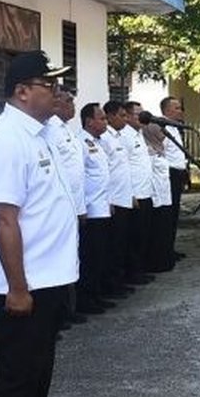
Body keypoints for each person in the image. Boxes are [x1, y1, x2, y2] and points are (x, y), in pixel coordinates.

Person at [0, 51, 78, 397]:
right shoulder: (8, 140)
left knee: (38, 372)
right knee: (19, 375)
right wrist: (17, 287)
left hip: (49, 277)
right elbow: (5, 220)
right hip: (25, 283)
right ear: (21, 91)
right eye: (48, 85)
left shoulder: (38, 133)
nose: (56, 93)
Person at [42, 87, 86, 328]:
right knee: (58, 261)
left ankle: (69, 309)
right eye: (68, 100)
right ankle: (58, 314)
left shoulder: (67, 129)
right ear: (56, 102)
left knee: (71, 258)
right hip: (59, 208)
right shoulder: (49, 130)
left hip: (74, 204)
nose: (73, 105)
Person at [76, 103, 115, 315]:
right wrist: (82, 206)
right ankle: (86, 300)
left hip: (102, 207)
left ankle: (97, 294)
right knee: (90, 257)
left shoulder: (98, 142)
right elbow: (80, 177)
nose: (105, 122)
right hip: (90, 210)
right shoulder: (80, 142)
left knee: (101, 255)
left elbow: (102, 176)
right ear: (89, 121)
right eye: (102, 118)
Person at [99, 101, 135, 300]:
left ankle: (120, 280)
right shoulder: (105, 138)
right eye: (122, 115)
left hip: (124, 197)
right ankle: (111, 284)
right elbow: (105, 172)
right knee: (113, 246)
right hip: (113, 200)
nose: (126, 119)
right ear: (111, 116)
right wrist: (109, 200)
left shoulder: (119, 137)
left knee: (122, 243)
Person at [122, 101, 154, 285]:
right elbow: (124, 167)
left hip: (146, 191)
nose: (141, 117)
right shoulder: (125, 136)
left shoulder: (139, 133)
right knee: (134, 237)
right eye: (137, 114)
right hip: (135, 194)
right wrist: (130, 193)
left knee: (144, 235)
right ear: (127, 116)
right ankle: (132, 273)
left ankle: (141, 269)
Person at [142, 123, 176, 272]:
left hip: (165, 197)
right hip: (156, 198)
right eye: (160, 132)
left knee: (165, 230)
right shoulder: (149, 152)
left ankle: (165, 259)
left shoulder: (160, 149)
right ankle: (155, 262)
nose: (163, 135)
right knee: (156, 231)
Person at [160, 96, 189, 260]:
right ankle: (165, 250)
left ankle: (170, 247)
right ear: (167, 110)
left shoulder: (175, 127)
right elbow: (160, 151)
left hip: (178, 173)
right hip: (169, 173)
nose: (180, 111)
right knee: (168, 214)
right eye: (176, 108)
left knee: (174, 213)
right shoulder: (162, 127)